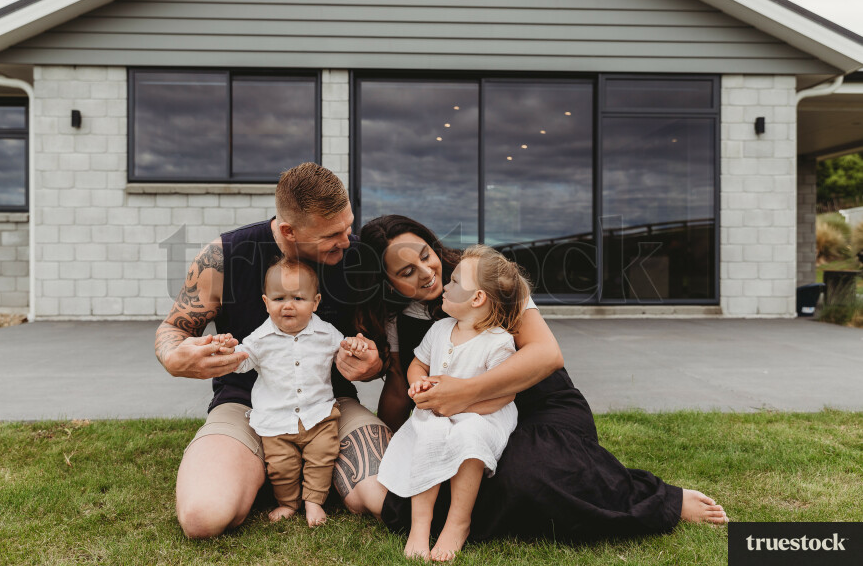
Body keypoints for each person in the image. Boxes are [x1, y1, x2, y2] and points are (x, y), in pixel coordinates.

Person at [352, 215, 728, 543]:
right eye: (406, 272)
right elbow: (402, 385)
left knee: (526, 476)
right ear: (388, 283)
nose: (426, 272)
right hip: (463, 424)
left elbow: (547, 354)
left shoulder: (486, 275)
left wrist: (465, 393)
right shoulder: (400, 317)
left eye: (424, 255)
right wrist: (398, 439)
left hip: (539, 408)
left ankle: (662, 499)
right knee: (424, 485)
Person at [154, 162, 389, 538]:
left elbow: (383, 352)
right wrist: (173, 357)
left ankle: (283, 472)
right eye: (332, 234)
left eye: (348, 225)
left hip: (329, 407)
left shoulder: (358, 259)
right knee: (203, 518)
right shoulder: (223, 257)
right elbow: (173, 329)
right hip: (244, 406)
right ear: (287, 231)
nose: (346, 240)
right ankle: (264, 468)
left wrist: (374, 363)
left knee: (383, 497)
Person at [378, 245, 530, 561]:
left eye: (455, 282)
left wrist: (463, 408)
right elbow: (417, 363)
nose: (445, 285)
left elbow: (504, 394)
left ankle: (457, 523)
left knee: (469, 435)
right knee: (431, 433)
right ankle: (421, 526)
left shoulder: (498, 341)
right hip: (438, 412)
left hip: (483, 415)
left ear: (476, 299)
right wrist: (418, 380)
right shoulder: (440, 330)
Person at [210, 257, 357, 527]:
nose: (288, 305)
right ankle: (288, 502)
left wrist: (355, 348)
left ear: (315, 302)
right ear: (266, 303)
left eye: (299, 298)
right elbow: (242, 362)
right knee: (281, 467)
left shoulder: (326, 333)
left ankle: (314, 501)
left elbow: (345, 348)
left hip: (318, 415)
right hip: (276, 421)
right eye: (279, 299)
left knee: (323, 456)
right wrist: (227, 352)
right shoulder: (260, 339)